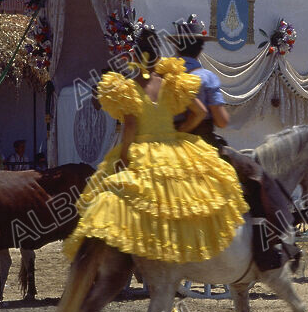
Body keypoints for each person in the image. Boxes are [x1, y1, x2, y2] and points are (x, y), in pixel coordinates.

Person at [63, 23, 248, 266]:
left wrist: (125, 155)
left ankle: (135, 253)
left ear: (135, 57)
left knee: (132, 199)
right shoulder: (177, 82)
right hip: (178, 145)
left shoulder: (131, 86)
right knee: (189, 198)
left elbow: (129, 126)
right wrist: (182, 131)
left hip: (143, 146)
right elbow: (206, 114)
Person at [168, 14, 298, 269]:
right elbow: (222, 120)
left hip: (164, 145)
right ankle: (264, 251)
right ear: (200, 47)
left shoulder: (164, 74)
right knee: (256, 177)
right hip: (201, 145)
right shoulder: (205, 77)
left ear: (176, 46)